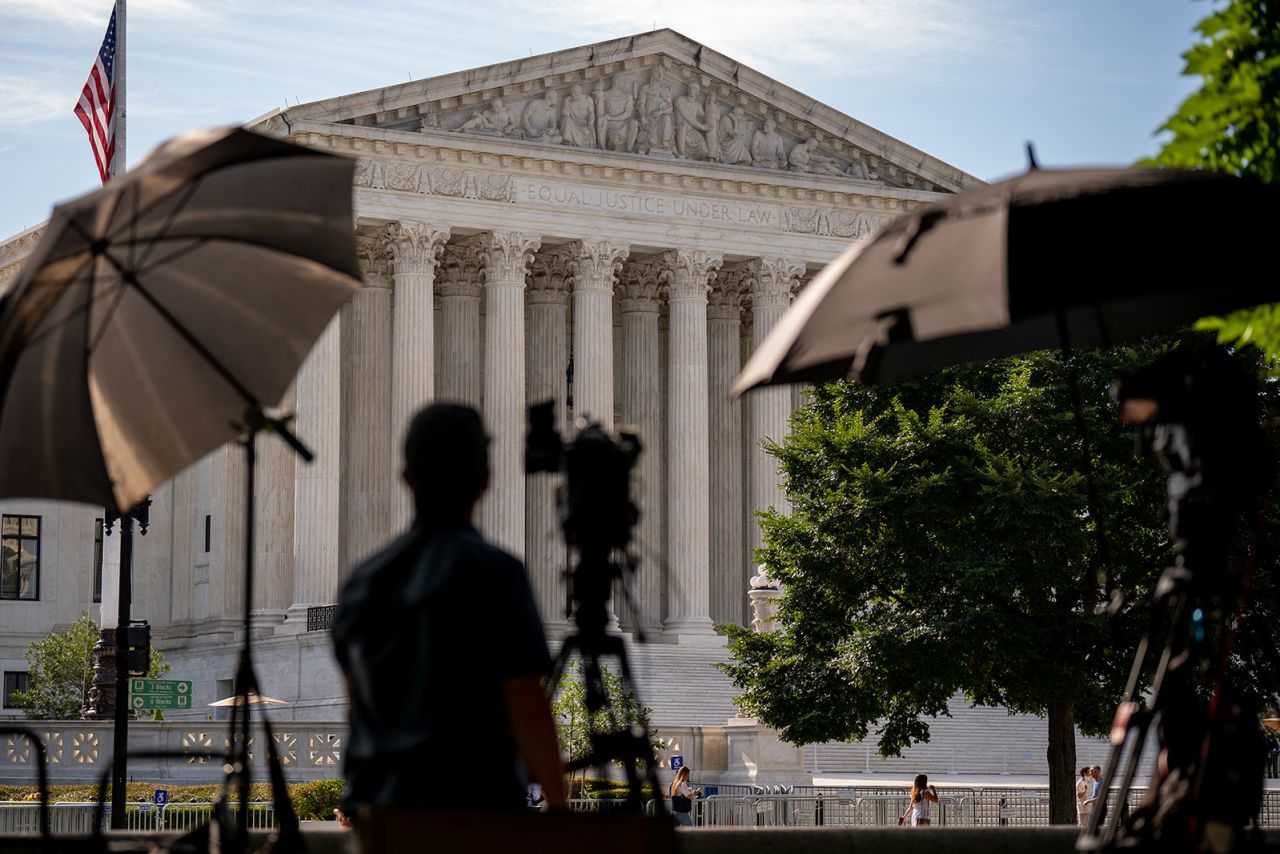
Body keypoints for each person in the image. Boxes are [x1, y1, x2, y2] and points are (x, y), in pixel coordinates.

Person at [333, 403, 566, 819]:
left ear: (406, 478)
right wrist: (560, 807)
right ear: (485, 482)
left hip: (385, 817)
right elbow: (527, 704)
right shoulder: (496, 574)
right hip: (475, 812)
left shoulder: (362, 583)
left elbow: (358, 709)